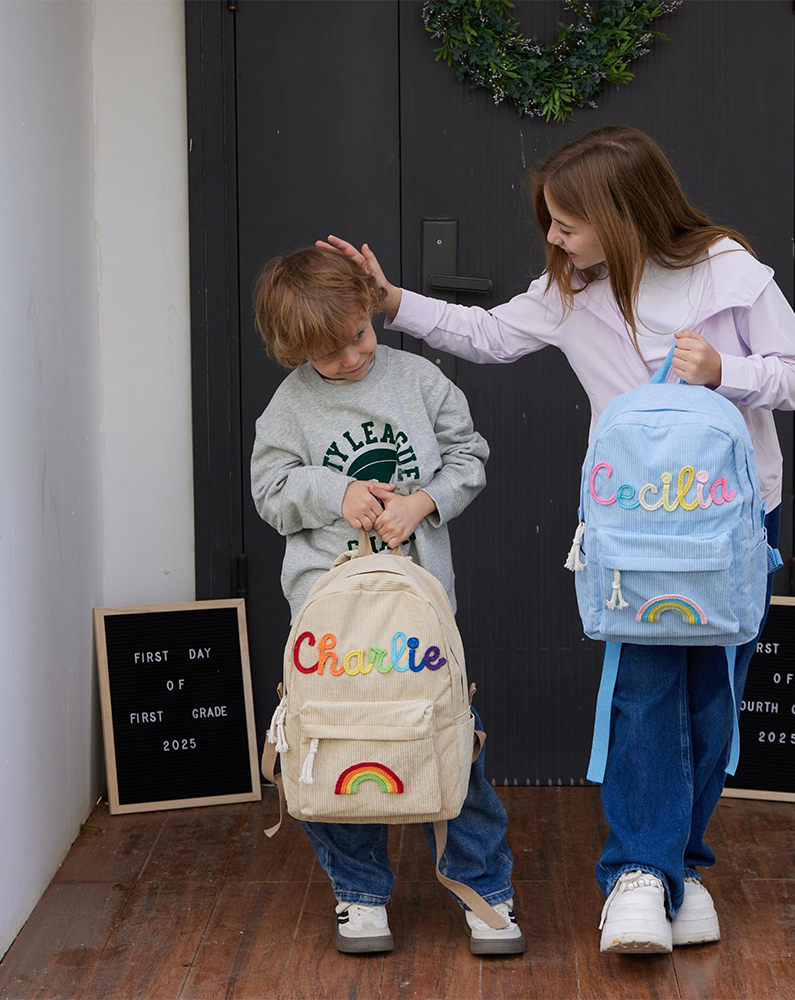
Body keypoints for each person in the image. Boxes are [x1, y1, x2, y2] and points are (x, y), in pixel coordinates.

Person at [318, 124, 795, 954]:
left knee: (712, 699)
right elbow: (484, 334)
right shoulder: (571, 292)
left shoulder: (730, 272)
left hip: (733, 522)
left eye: (567, 222)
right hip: (633, 531)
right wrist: (390, 300)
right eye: (550, 221)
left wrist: (726, 374)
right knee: (645, 691)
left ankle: (681, 869)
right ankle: (636, 877)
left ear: (623, 214)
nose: (553, 237)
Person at [249, 247, 525, 956]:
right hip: (332, 621)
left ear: (371, 313)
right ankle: (360, 892)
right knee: (336, 743)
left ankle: (485, 887)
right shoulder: (291, 408)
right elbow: (271, 490)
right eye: (330, 351)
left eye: (361, 335)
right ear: (293, 353)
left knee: (454, 744)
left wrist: (425, 501)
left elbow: (470, 457)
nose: (352, 356)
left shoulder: (418, 380)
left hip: (418, 617)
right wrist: (332, 493)